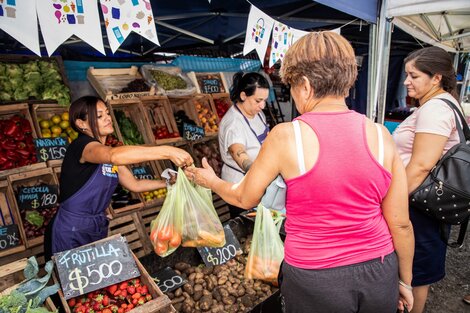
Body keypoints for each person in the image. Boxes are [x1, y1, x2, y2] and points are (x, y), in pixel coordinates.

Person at [187, 31, 414, 313]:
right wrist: (403, 280)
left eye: (292, 86)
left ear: (304, 85)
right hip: (379, 270)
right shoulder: (381, 136)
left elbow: (244, 197)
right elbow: (401, 224)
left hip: (315, 277)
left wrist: (212, 181)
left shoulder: (287, 136)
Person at [44, 96, 193, 259]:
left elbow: (134, 184)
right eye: (99, 116)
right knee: (70, 280)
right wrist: (167, 151)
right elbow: (113, 156)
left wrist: (167, 182)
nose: (108, 118)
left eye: (107, 113)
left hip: (95, 225)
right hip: (70, 229)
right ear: (81, 124)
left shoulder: (108, 152)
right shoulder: (83, 146)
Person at [392, 46, 464, 313]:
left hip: (417, 204)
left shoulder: (435, 109)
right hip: (421, 202)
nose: (406, 81)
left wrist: (392, 202)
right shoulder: (441, 104)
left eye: (414, 76)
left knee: (415, 271)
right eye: (406, 74)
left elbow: (421, 165)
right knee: (416, 269)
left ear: (436, 78)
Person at [218, 71, 270, 217]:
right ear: (243, 96)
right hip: (239, 184)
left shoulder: (258, 114)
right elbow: (238, 152)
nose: (262, 105)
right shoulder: (234, 123)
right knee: (247, 228)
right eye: (258, 100)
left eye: (264, 100)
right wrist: (258, 172)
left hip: (258, 181)